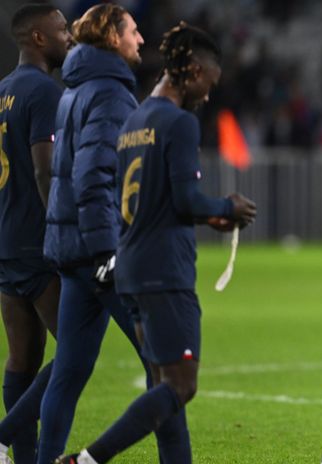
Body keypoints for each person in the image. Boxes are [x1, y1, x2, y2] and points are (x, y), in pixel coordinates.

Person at [56, 22, 256, 464]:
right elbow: (186, 199)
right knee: (181, 385)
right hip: (165, 271)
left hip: (132, 267)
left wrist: (209, 215)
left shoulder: (134, 120)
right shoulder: (179, 123)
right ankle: (86, 460)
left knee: (164, 385)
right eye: (209, 83)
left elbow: (155, 199)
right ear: (194, 70)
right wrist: (228, 205)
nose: (208, 95)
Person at [38, 5, 190, 464]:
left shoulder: (75, 89)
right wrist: (108, 253)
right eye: (133, 31)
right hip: (102, 254)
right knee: (166, 369)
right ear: (111, 37)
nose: (141, 39)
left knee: (68, 372)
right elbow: (93, 178)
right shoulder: (110, 93)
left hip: (72, 252)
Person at [0, 4, 71, 463]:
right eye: (62, 28)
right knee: (76, 348)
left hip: (6, 240)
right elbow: (45, 171)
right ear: (38, 37)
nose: (70, 35)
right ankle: (6, 437)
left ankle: (21, 458)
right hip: (38, 241)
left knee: (23, 356)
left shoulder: (3, 90)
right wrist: (62, 233)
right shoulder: (44, 91)